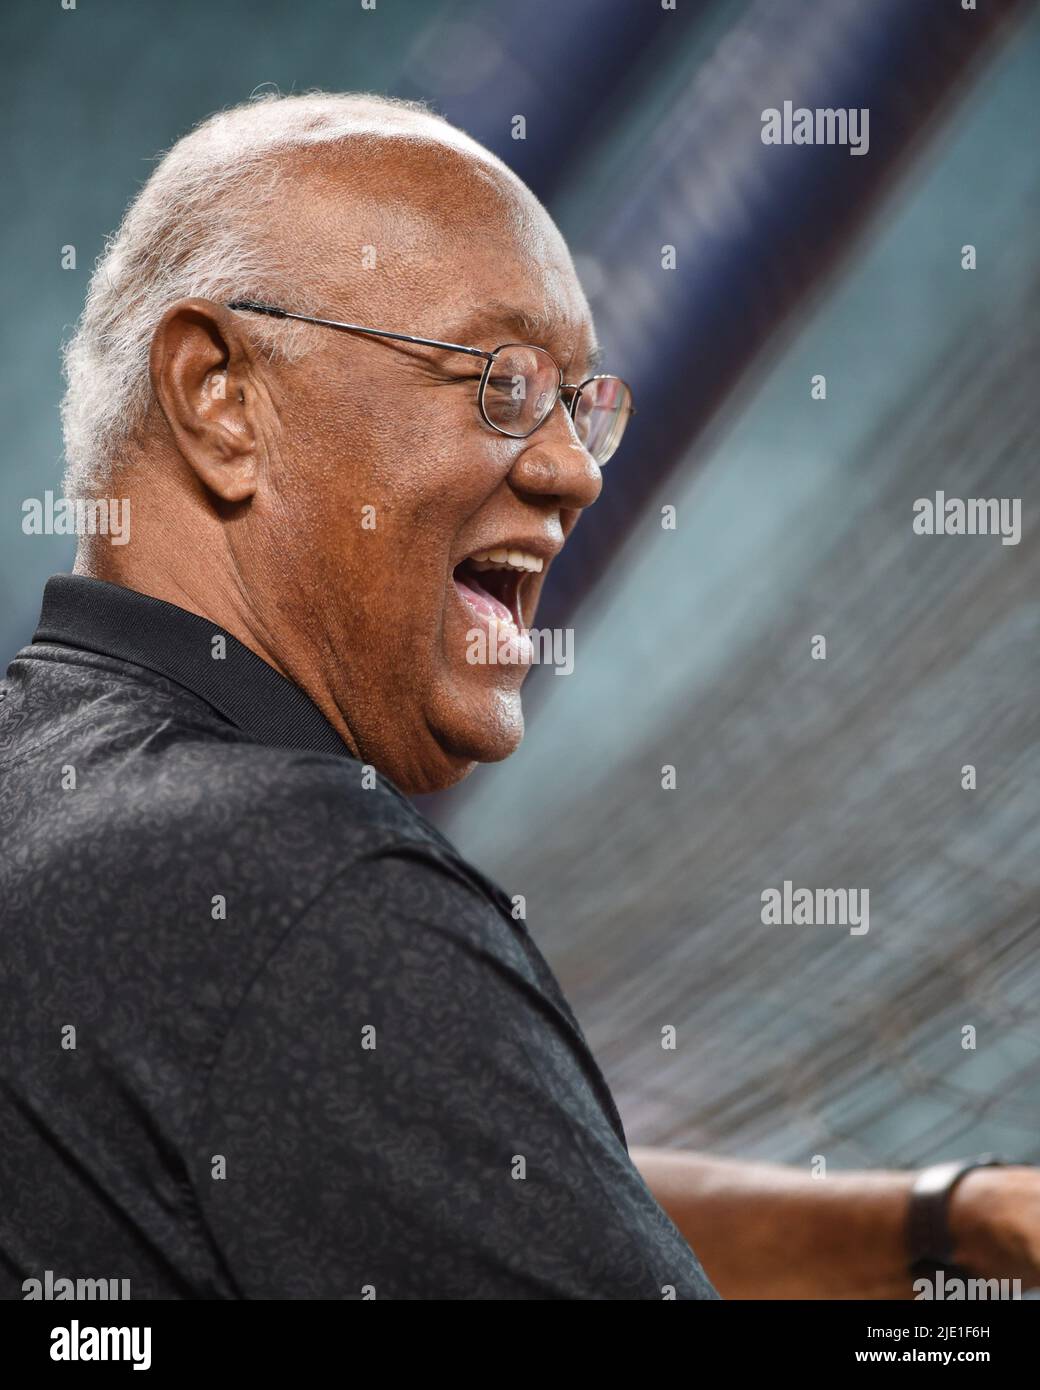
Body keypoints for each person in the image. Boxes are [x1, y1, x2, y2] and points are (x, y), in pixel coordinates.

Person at [1, 92, 1036, 1300]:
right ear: (221, 396)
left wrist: (946, 1227)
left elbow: (484, 1185)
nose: (571, 470)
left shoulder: (55, 788)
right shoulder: (295, 881)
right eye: (498, 382)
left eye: (579, 401)